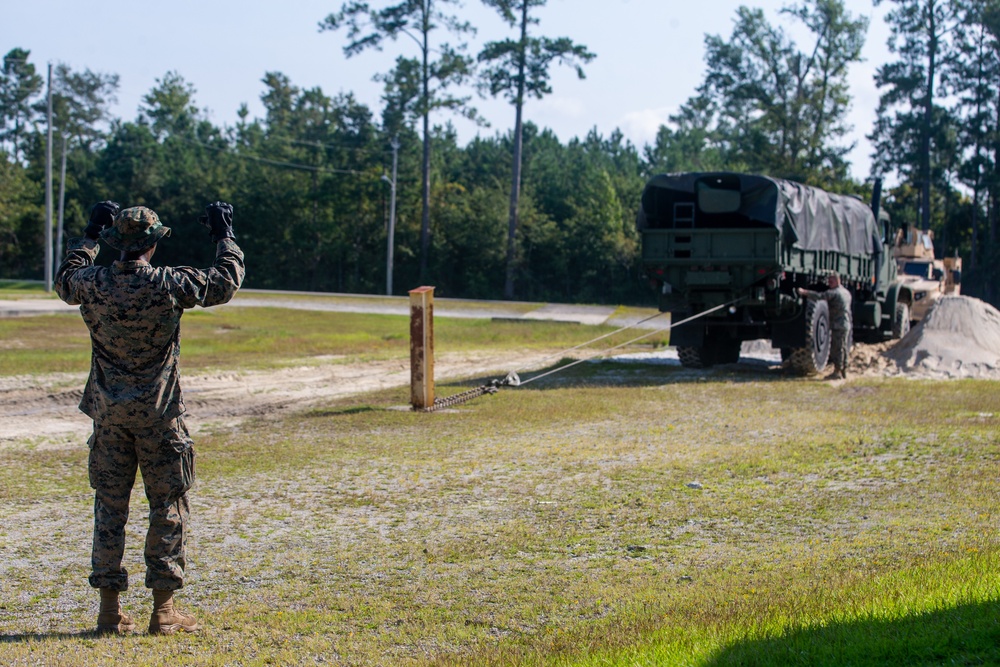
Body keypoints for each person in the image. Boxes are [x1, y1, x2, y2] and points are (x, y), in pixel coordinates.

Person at [55, 200, 245, 635]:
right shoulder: (168, 283)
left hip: (109, 418)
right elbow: (226, 281)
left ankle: (108, 611)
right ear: (152, 244)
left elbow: (64, 279)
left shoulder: (91, 282)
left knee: (109, 509)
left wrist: (88, 234)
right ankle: (163, 611)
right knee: (167, 507)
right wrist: (223, 235)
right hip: (160, 417)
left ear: (116, 244)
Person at [797, 273, 852, 379]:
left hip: (838, 325)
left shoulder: (834, 293)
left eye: (831, 282)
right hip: (845, 323)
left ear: (837, 281)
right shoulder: (846, 293)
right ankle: (844, 370)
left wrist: (804, 292)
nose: (829, 284)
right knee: (843, 347)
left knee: (838, 348)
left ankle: (837, 372)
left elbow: (819, 296)